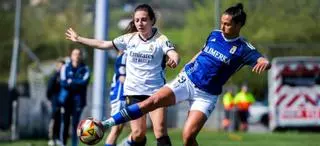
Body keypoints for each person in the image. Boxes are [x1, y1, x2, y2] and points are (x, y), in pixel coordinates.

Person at [98, 3, 271, 146]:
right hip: (186, 80)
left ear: (238, 25)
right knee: (151, 102)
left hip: (206, 94)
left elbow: (262, 60)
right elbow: (203, 52)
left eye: (227, 24)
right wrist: (188, 65)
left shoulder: (243, 49)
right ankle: (105, 124)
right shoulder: (215, 35)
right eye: (222, 22)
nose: (222, 26)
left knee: (188, 137)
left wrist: (264, 62)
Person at [65, 4, 179, 146]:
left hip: (156, 93)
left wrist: (174, 58)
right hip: (133, 93)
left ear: (152, 20)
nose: (140, 23)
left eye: (143, 19)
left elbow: (172, 52)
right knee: (138, 134)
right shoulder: (129, 39)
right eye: (137, 20)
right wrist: (80, 39)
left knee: (160, 131)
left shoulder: (160, 39)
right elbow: (103, 44)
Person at [58, 48, 90, 146]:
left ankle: (74, 144)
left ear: (81, 56)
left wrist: (71, 81)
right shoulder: (65, 67)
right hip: (66, 99)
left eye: (78, 54)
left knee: (76, 124)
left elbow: (84, 82)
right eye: (74, 54)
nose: (76, 56)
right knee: (65, 122)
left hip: (79, 100)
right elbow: (63, 83)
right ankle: (62, 143)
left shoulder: (85, 68)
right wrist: (76, 82)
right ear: (71, 56)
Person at [105, 51, 127, 146]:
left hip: (124, 96)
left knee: (118, 129)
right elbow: (122, 79)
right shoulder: (123, 56)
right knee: (115, 129)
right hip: (119, 96)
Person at [47, 59, 65, 146]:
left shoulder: (66, 76)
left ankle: (58, 138)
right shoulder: (54, 76)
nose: (61, 68)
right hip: (55, 101)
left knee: (61, 120)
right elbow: (49, 89)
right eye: (60, 67)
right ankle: (52, 138)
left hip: (64, 102)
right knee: (54, 119)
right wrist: (51, 99)